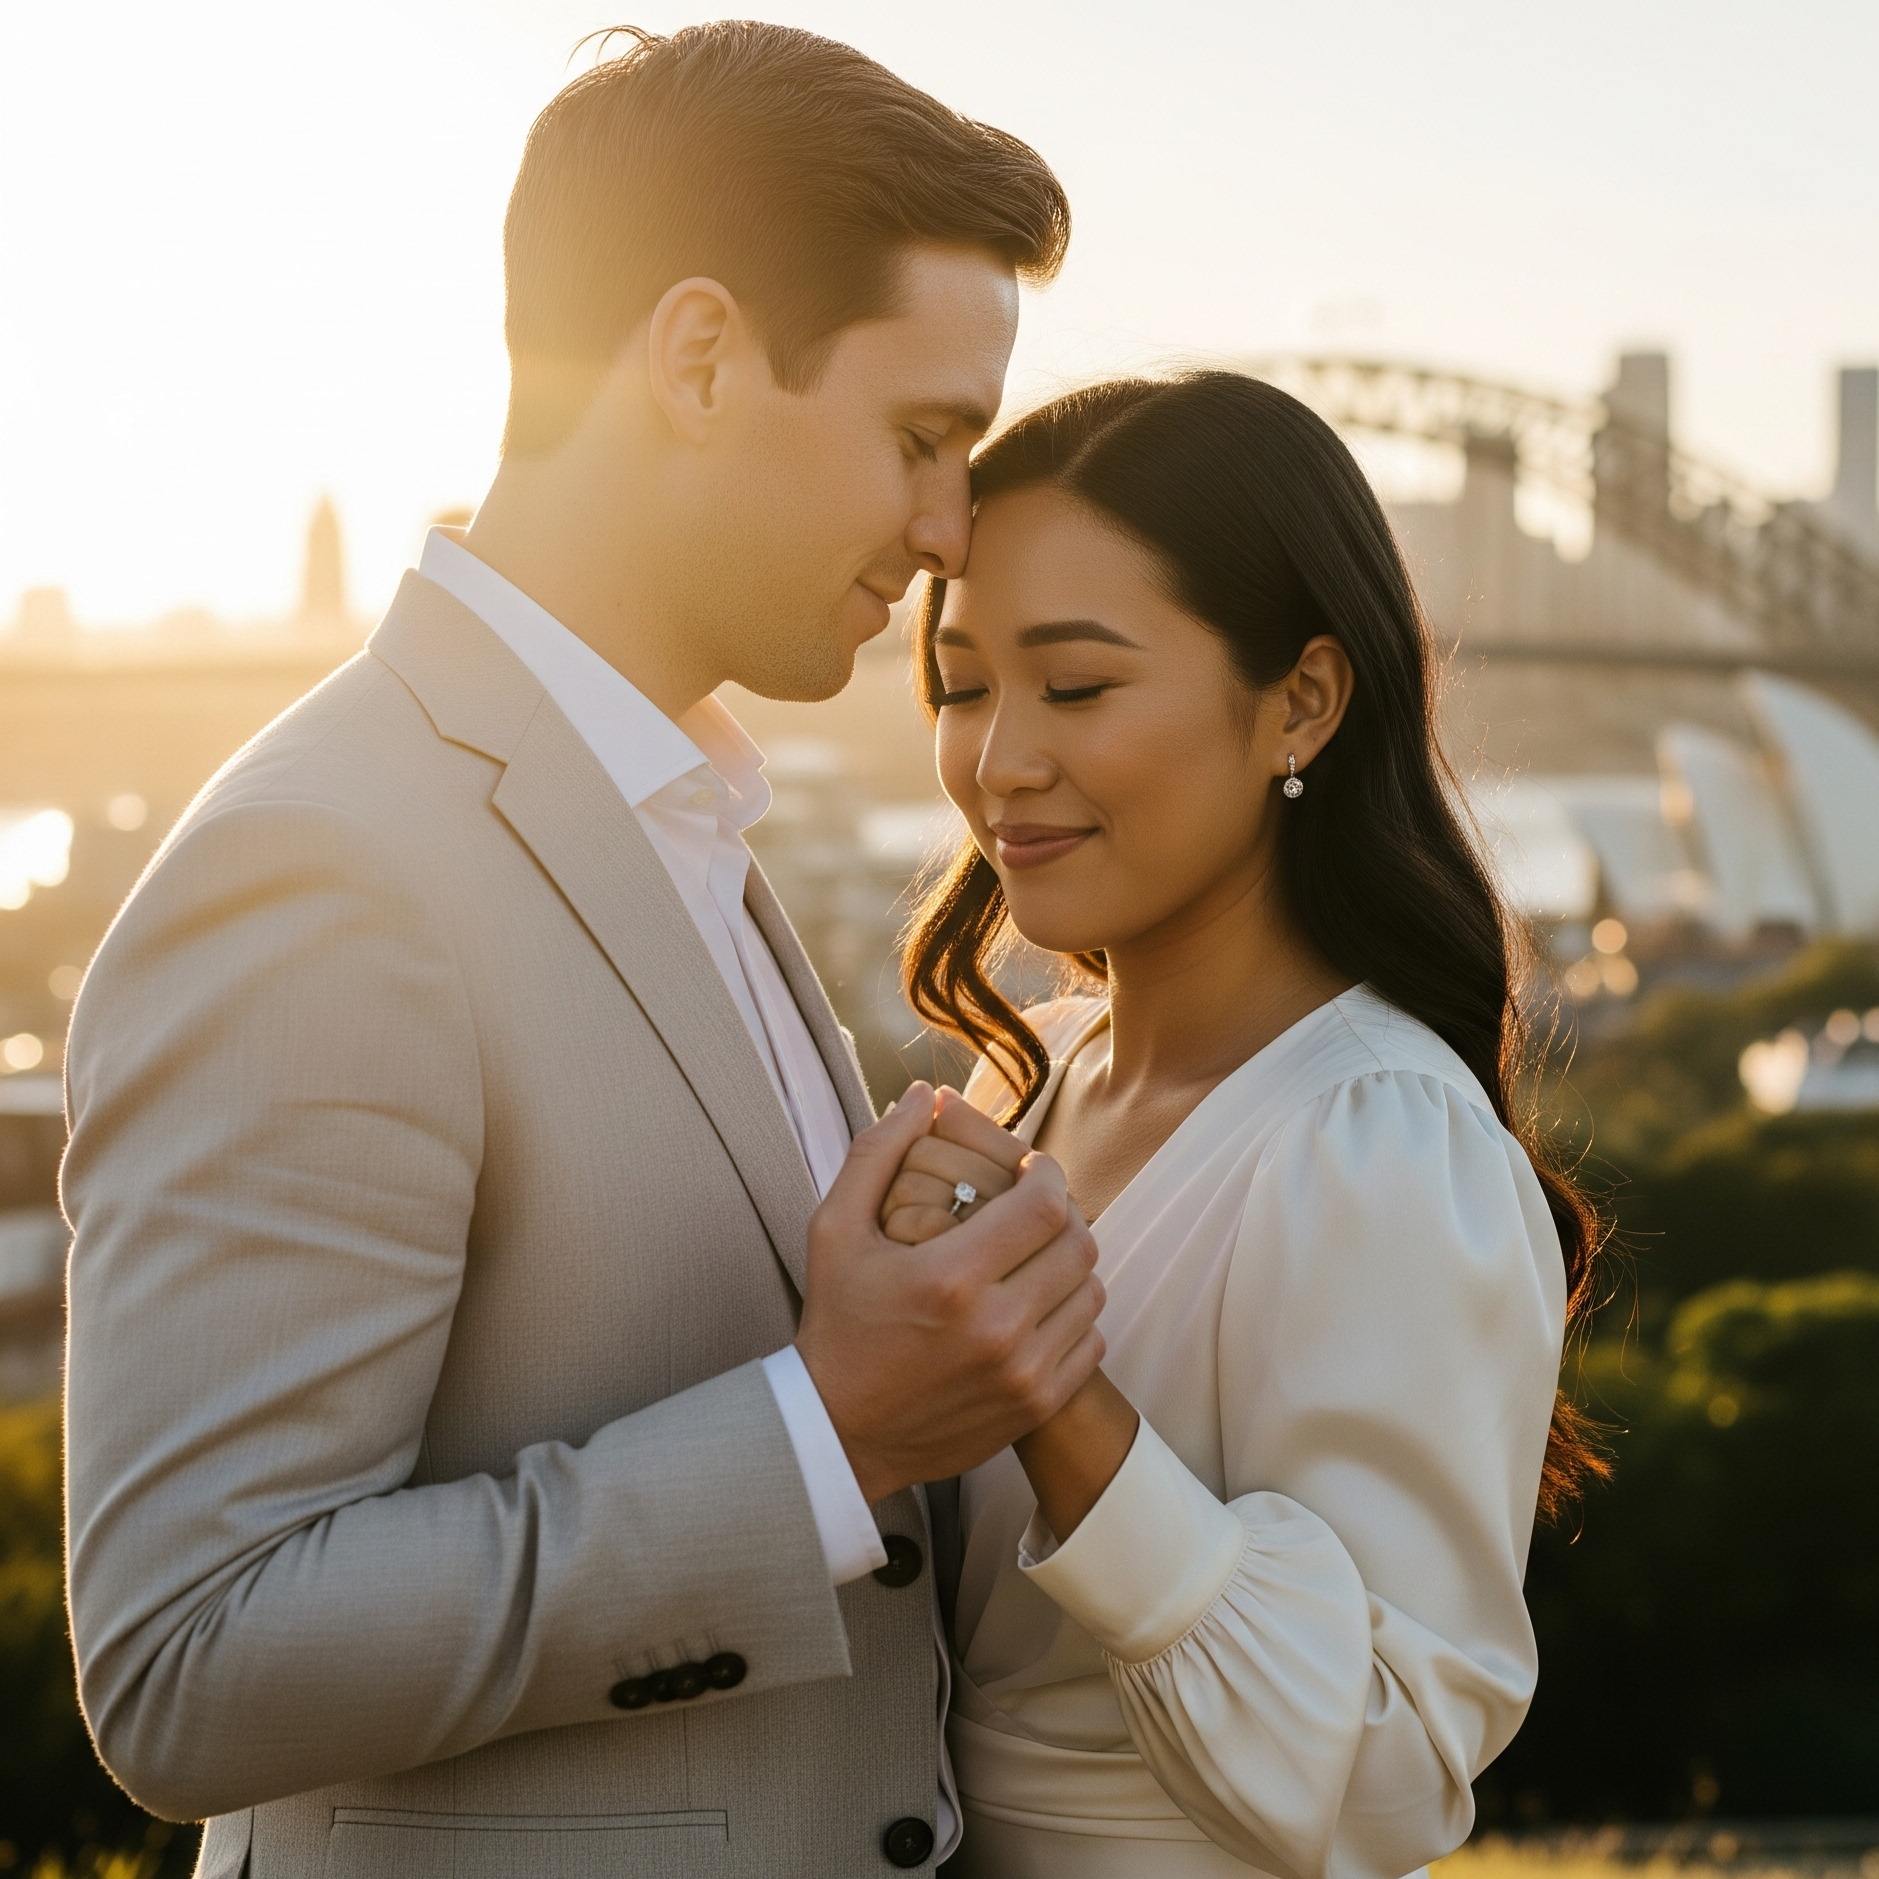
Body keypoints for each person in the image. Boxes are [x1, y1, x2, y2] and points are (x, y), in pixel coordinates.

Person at [60, 26, 1106, 1879]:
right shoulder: (329, 864)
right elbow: (189, 1657)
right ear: (697, 357)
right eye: (919, 441)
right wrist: (824, 1434)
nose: (948, 536)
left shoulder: (674, 815)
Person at [878, 373, 1607, 1877]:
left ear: (1301, 700)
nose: (997, 759)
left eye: (1073, 686)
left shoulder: (1377, 1141)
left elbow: (1389, 1773)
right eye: (959, 684)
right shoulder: (1041, 1083)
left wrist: (1050, 1394)